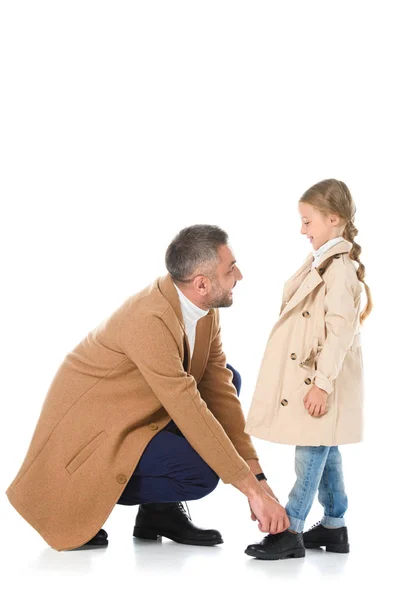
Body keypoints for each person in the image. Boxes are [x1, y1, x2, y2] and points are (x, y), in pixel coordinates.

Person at [6, 224, 289, 551]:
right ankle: (78, 494)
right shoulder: (148, 318)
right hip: (93, 433)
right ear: (201, 283)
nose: (239, 275)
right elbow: (187, 406)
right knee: (198, 474)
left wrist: (261, 480)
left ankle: (157, 514)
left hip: (133, 410)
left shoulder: (203, 311)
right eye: (230, 269)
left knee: (229, 378)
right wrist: (251, 493)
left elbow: (219, 392)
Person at [244, 179, 372, 560]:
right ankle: (335, 527)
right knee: (325, 449)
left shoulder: (340, 269)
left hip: (319, 380)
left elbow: (340, 333)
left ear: (334, 219)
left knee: (310, 453)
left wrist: (322, 383)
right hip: (315, 379)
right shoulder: (324, 262)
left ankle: (290, 529)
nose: (303, 230)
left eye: (307, 221)